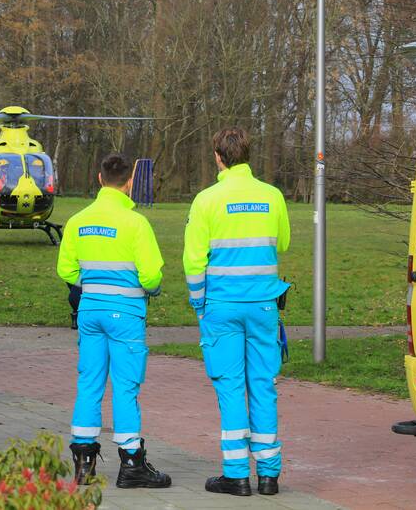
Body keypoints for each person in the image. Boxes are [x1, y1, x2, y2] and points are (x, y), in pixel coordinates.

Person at [183, 128, 290, 497]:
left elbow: (193, 261)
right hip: (263, 306)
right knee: (262, 385)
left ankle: (236, 475)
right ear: (248, 154)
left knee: (229, 387)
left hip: (222, 307)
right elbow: (285, 241)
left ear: (218, 156)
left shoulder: (206, 200)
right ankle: (269, 475)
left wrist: (199, 302)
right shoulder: (272, 196)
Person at [57, 153, 171, 490]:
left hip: (90, 311)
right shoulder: (136, 223)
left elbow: (66, 270)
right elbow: (151, 278)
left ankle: (83, 463)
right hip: (126, 314)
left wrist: (93, 285)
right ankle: (132, 462)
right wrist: (149, 287)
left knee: (89, 383)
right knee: (126, 386)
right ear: (130, 182)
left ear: (99, 178)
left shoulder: (78, 220)